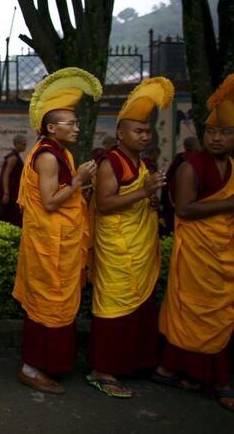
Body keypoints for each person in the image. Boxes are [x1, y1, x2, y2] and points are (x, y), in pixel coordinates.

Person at [13, 68, 101, 394]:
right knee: (45, 306)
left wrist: (79, 191)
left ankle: (49, 364)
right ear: (51, 128)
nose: (77, 128)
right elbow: (49, 202)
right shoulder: (48, 157)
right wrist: (79, 182)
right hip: (48, 245)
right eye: (71, 124)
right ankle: (31, 368)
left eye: (76, 123)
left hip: (59, 242)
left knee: (58, 306)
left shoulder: (60, 152)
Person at [87, 77, 174, 398]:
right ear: (120, 133)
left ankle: (135, 362)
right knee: (114, 307)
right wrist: (144, 193)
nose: (144, 136)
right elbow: (106, 204)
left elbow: (138, 196)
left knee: (140, 307)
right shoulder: (112, 162)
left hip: (139, 246)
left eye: (147, 131)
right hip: (118, 247)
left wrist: (150, 198)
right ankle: (102, 369)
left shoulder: (142, 163)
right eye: (137, 131)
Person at [154, 74, 234, 412]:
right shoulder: (191, 166)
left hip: (224, 251)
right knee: (192, 309)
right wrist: (229, 205)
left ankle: (198, 374)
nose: (216, 138)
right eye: (211, 132)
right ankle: (206, 378)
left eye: (225, 133)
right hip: (197, 252)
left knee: (221, 312)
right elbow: (184, 209)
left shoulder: (231, 167)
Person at [160, 136, 202, 235]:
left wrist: (164, 200)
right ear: (195, 146)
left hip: (175, 199)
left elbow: (168, 177)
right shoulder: (196, 159)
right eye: (198, 144)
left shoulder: (179, 157)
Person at [0, 134, 26, 226]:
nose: (25, 146)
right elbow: (5, 175)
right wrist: (6, 193)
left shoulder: (16, 156)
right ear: (17, 144)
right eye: (23, 144)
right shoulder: (13, 157)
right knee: (7, 215)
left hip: (15, 191)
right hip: (10, 192)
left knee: (12, 215)